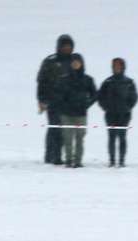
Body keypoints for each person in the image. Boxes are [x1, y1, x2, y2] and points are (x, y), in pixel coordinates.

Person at [37, 34, 76, 165]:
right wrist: (41, 99)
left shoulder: (74, 61)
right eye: (64, 46)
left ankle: (57, 155)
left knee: (64, 130)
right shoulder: (50, 61)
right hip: (52, 101)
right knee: (54, 128)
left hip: (68, 102)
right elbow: (41, 82)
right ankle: (52, 156)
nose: (67, 49)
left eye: (69, 47)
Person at [54, 54, 96, 168]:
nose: (75, 64)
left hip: (81, 114)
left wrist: (86, 104)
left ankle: (78, 161)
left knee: (80, 138)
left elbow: (94, 95)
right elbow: (57, 95)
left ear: (81, 63)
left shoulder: (87, 79)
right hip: (66, 114)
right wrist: (63, 105)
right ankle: (68, 160)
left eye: (78, 62)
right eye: (73, 62)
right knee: (67, 138)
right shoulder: (64, 79)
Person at [97, 57, 138, 167]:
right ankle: (112, 160)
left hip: (124, 114)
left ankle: (121, 160)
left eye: (119, 66)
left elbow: (134, 97)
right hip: (110, 114)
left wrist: (128, 107)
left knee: (122, 138)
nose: (117, 68)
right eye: (115, 66)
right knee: (111, 138)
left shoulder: (129, 82)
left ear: (123, 67)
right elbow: (100, 96)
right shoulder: (107, 82)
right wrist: (106, 107)